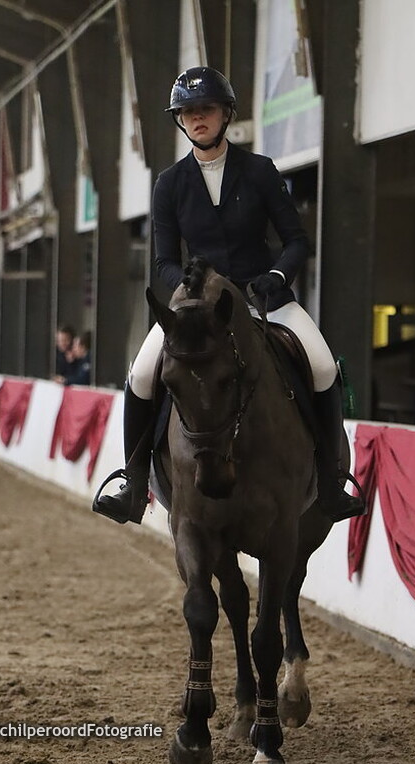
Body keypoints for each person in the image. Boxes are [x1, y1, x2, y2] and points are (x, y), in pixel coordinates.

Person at [94, 66, 365, 525]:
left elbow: (296, 239)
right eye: (188, 112)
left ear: (225, 114)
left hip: (265, 297)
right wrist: (193, 292)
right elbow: (163, 261)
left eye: (206, 109)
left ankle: (331, 480)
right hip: (197, 308)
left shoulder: (259, 172)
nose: (197, 118)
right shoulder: (170, 184)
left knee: (321, 365)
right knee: (140, 375)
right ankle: (134, 484)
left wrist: (277, 276)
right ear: (181, 121)